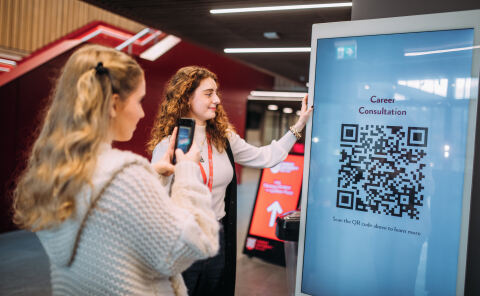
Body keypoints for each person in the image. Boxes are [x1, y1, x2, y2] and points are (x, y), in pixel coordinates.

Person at [13, 45, 220, 296]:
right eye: (139, 100)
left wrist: (152, 175)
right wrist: (187, 171)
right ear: (113, 104)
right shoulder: (126, 174)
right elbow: (198, 243)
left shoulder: (55, 172)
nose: (143, 113)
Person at [147, 66, 313, 295]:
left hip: (217, 238)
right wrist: (164, 177)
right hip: (180, 241)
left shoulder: (224, 139)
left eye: (216, 93)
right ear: (186, 98)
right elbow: (153, 200)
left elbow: (266, 156)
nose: (216, 99)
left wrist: (299, 125)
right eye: (208, 94)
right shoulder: (168, 146)